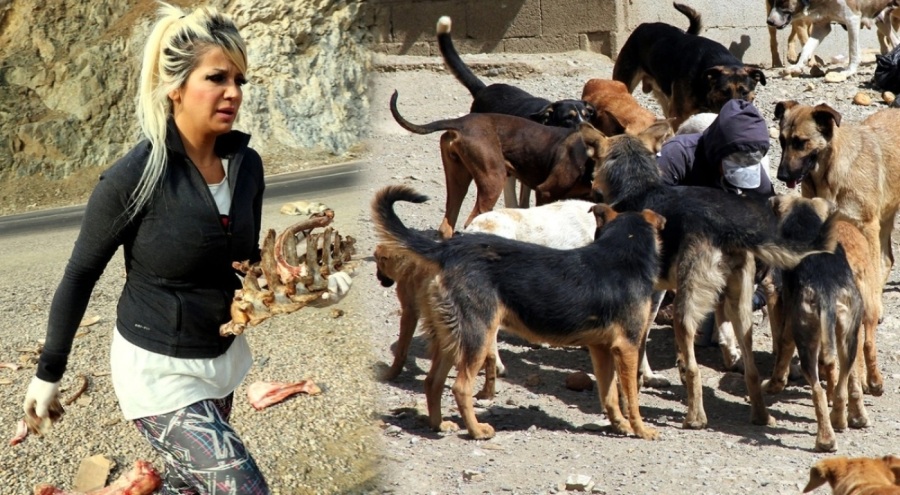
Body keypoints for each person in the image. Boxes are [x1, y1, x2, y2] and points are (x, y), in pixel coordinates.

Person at [21, 4, 351, 494]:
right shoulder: (134, 177)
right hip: (156, 370)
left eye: (240, 79)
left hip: (220, 361)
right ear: (175, 86)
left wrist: (310, 288)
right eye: (217, 77)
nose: (233, 92)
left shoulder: (247, 167)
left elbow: (240, 268)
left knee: (190, 486)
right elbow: (79, 275)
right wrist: (48, 375)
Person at [655, 98, 774, 360]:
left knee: (708, 338)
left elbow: (767, 221)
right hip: (675, 251)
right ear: (718, 151)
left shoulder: (755, 173)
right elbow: (647, 209)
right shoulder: (676, 156)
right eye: (733, 166)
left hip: (716, 258)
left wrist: (756, 283)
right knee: (691, 325)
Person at [657, 98, 775, 198]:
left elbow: (766, 204)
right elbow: (649, 200)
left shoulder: (749, 159)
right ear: (717, 150)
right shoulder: (676, 153)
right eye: (733, 167)